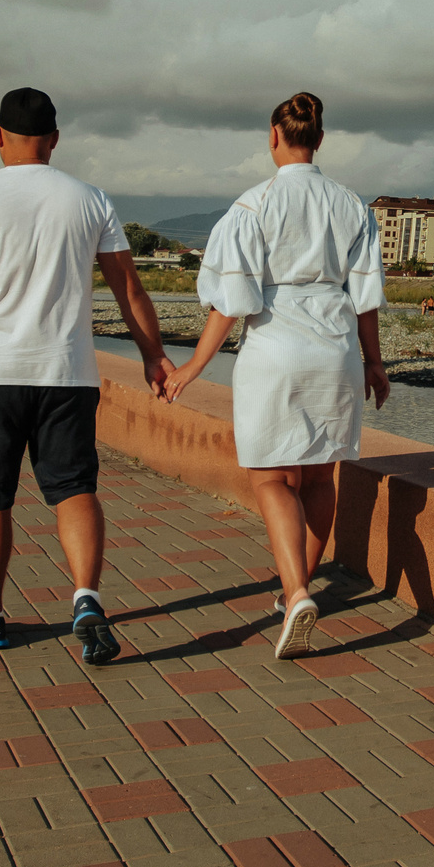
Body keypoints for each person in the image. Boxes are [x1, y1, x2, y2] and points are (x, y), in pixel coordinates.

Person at [0, 86, 171, 663]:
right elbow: (128, 288)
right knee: (74, 488)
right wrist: (153, 355)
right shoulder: (91, 199)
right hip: (68, 372)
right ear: (55, 139)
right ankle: (86, 597)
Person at [163, 93, 387, 659]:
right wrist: (375, 363)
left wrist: (194, 365)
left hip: (276, 346)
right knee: (319, 478)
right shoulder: (352, 205)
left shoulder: (252, 205)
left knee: (271, 480)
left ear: (273, 135)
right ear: (319, 138)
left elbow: (232, 300)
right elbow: (365, 297)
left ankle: (296, 594)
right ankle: (295, 594)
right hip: (336, 349)